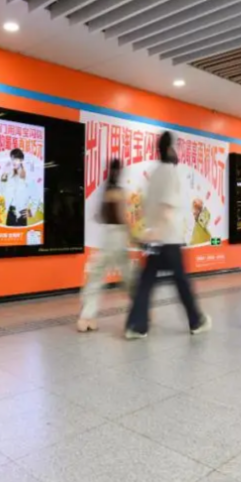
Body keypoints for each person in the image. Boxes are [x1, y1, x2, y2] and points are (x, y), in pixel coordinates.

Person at [125, 131, 211, 339]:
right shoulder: (170, 172)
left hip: (154, 240)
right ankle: (196, 320)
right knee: (181, 281)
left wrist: (149, 233)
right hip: (168, 238)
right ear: (170, 148)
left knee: (146, 282)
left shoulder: (154, 173)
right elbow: (166, 207)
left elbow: (147, 205)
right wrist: (158, 231)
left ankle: (137, 326)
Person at [78, 160, 132, 332]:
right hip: (118, 235)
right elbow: (122, 217)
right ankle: (141, 310)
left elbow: (99, 216)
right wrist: (132, 234)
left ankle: (86, 317)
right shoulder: (120, 192)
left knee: (95, 277)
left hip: (106, 236)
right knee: (129, 276)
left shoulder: (105, 191)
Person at [1, 148, 29, 226]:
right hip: (10, 211)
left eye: (16, 159)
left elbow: (35, 195)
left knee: (22, 233)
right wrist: (4, 174)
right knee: (10, 232)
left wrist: (31, 212)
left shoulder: (27, 175)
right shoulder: (10, 175)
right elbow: (1, 189)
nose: (13, 161)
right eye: (12, 159)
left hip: (22, 212)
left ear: (21, 160)